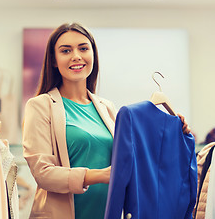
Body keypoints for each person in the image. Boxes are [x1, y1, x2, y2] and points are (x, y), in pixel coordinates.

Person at [22, 22, 191, 219]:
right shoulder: (40, 106)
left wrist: (174, 133)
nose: (76, 55)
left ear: (93, 54)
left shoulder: (107, 107)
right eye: (66, 50)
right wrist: (100, 175)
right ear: (54, 60)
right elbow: (44, 174)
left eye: (83, 48)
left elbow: (134, 156)